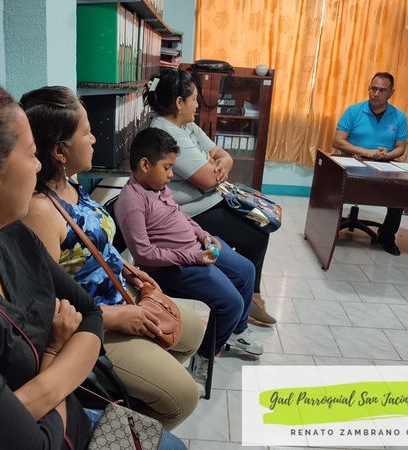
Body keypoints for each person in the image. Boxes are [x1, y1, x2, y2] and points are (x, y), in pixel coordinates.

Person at [0, 74, 186, 450]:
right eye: (31, 155)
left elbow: (90, 314)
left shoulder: (9, 234)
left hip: (72, 420)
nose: (38, 167)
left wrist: (28, 400)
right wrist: (55, 353)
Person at [19, 86, 204, 429]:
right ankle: (121, 433)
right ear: (60, 151)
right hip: (95, 322)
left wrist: (127, 268)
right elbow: (47, 308)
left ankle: (138, 399)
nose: (95, 139)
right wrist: (117, 318)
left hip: (119, 292)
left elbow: (93, 244)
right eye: (87, 132)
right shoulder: (40, 212)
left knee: (191, 333)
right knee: (182, 398)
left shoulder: (70, 185)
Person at [114, 127, 265, 387]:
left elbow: (180, 216)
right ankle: (204, 356)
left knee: (246, 270)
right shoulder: (132, 202)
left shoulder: (158, 187)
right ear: (145, 165)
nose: (171, 174)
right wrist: (194, 256)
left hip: (195, 250)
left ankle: (236, 330)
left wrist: (204, 235)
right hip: (171, 268)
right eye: (167, 167)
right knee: (231, 303)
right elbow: (144, 254)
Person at [145, 69, 276, 326]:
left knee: (260, 227)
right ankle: (248, 298)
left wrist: (221, 163)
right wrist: (213, 167)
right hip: (191, 210)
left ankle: (250, 296)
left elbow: (222, 155)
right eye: (194, 99)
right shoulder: (166, 133)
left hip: (209, 198)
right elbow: (207, 179)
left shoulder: (187, 125)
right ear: (179, 102)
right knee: (255, 236)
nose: (198, 105)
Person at [332, 72, 408, 256]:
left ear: (391, 93)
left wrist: (386, 155)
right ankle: (329, 230)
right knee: (333, 185)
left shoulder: (399, 117)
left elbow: (400, 147)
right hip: (354, 163)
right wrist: (366, 152)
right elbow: (337, 141)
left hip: (384, 165)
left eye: (382, 90)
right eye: (373, 88)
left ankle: (387, 237)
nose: (376, 93)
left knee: (401, 193)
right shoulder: (353, 111)